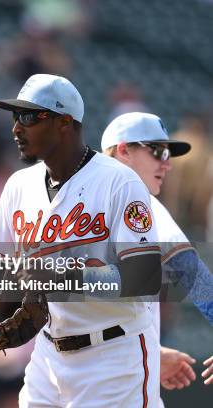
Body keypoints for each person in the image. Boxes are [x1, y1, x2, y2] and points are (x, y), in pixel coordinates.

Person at [0, 74, 163, 407]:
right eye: (13, 117)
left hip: (113, 357)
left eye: (27, 117)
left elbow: (143, 278)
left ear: (65, 122)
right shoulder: (19, 185)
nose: (16, 128)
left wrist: (57, 275)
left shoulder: (119, 183)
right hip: (48, 356)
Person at [101, 112, 213, 392]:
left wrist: (145, 348)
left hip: (64, 368)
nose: (167, 164)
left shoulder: (66, 198)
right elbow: (190, 272)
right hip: (111, 383)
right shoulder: (138, 200)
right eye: (158, 152)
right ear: (124, 150)